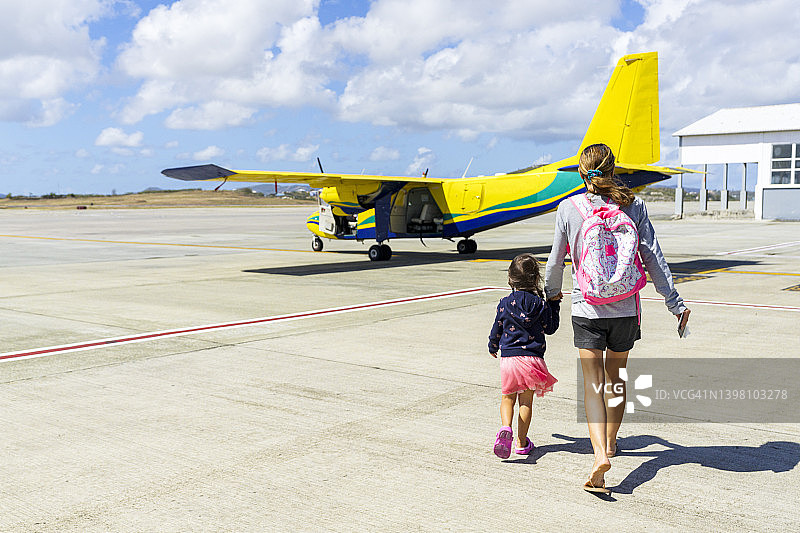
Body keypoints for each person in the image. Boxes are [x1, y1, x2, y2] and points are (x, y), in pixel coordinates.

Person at [544, 143, 691, 493]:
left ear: (582, 174)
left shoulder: (568, 209)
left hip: (587, 309)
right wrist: (674, 302)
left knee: (593, 384)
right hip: (626, 309)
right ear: (614, 171)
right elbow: (654, 257)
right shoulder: (634, 206)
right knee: (617, 378)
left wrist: (551, 296)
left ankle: (599, 456)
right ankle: (611, 442)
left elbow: (555, 262)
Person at [489, 253, 561, 459]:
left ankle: (506, 428)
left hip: (509, 359)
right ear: (535, 278)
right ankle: (521, 443)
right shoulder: (539, 305)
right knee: (526, 402)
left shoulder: (504, 303)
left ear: (510, 278)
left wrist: (493, 345)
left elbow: (497, 328)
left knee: (507, 397)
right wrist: (553, 304)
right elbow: (551, 328)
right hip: (532, 360)